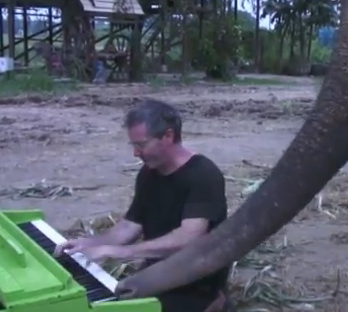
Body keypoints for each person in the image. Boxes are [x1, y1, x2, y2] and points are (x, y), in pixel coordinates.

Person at [53, 98, 232, 312]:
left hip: (194, 282)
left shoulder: (203, 174)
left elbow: (189, 239)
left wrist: (120, 252)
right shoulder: (149, 173)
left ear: (168, 136)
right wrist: (91, 243)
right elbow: (130, 225)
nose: (135, 153)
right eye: (134, 145)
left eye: (141, 145)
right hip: (158, 274)